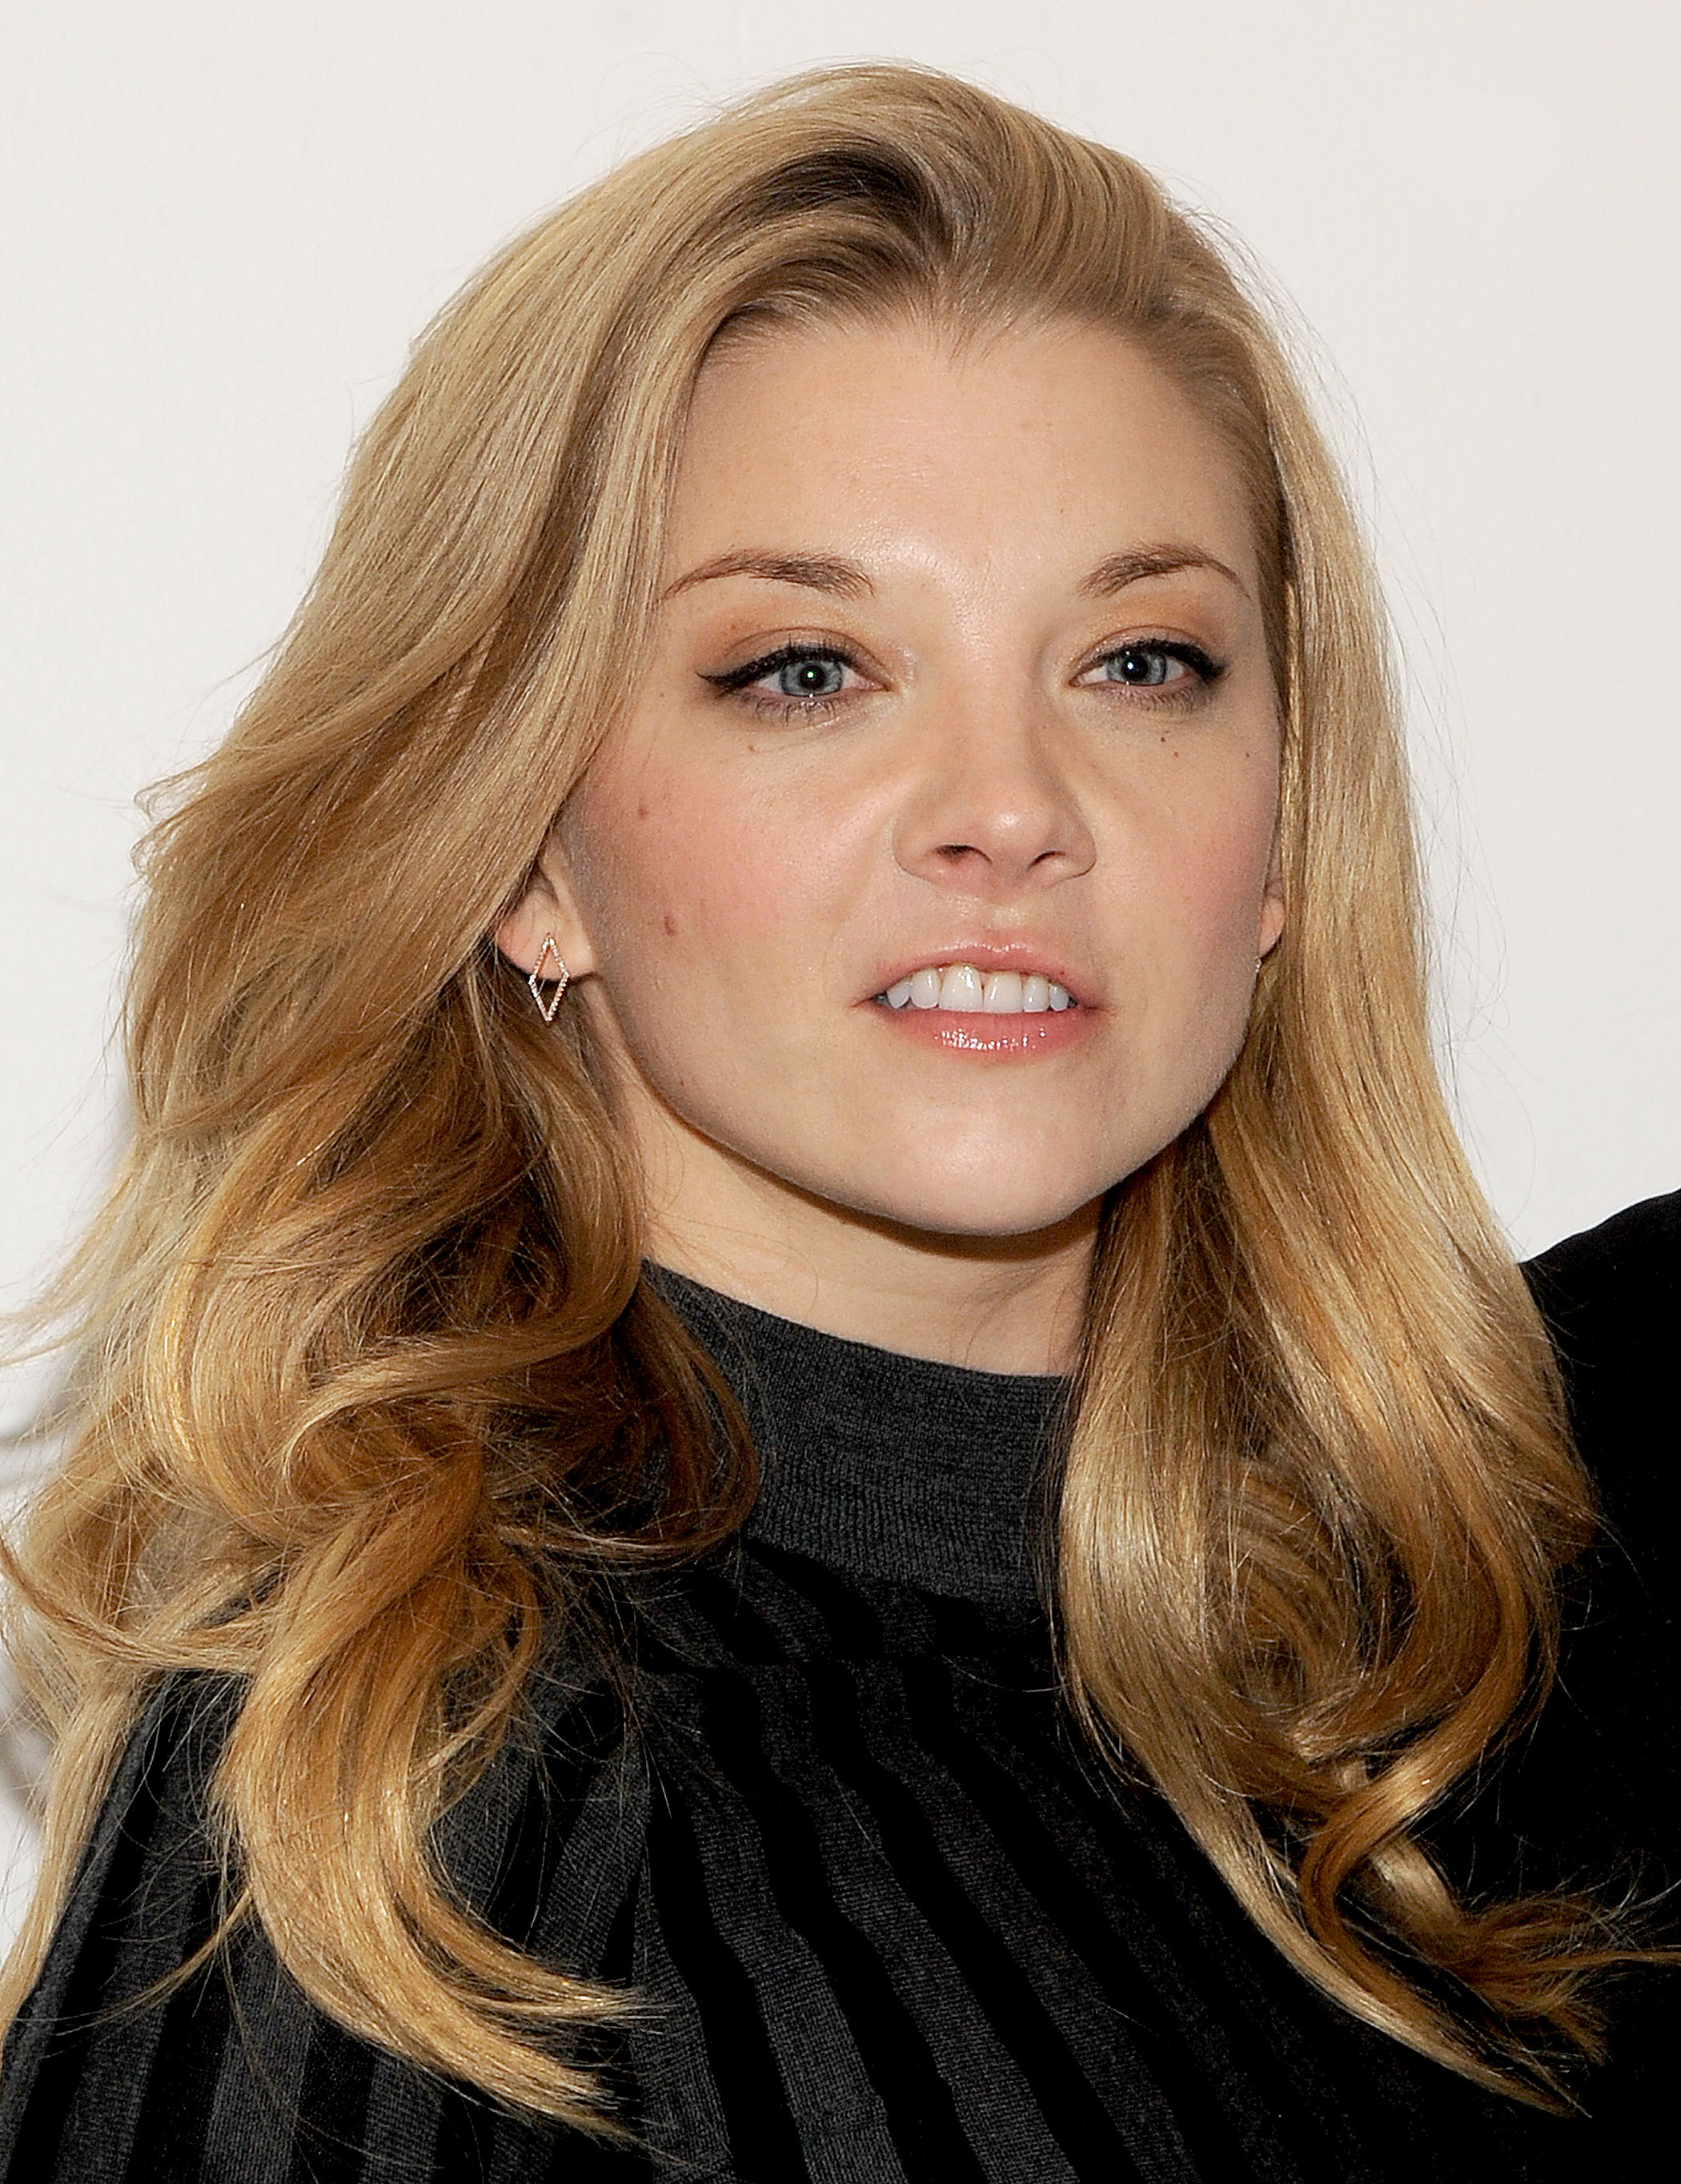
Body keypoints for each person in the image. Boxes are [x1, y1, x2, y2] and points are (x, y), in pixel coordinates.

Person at [0, 61, 1674, 2182]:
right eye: (804, 668)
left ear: (1283, 833)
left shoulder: (1510, 1585)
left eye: (1141, 662)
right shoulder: (395, 1819)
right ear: (522, 850)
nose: (1008, 810)